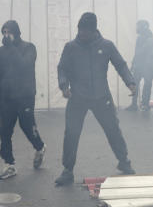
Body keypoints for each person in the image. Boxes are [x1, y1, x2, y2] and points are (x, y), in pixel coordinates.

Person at [54, 12, 136, 186]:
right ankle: (67, 171)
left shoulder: (106, 46)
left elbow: (120, 65)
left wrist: (130, 82)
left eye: (85, 31)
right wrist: (64, 86)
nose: (81, 34)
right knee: (71, 133)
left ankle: (124, 161)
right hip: (78, 97)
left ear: (94, 30)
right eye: (79, 30)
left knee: (112, 128)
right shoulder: (71, 47)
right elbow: (62, 68)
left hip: (101, 97)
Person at [0, 20, 46, 180]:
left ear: (17, 32)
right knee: (4, 131)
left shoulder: (29, 48)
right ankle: (9, 164)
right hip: (7, 97)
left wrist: (12, 48)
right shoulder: (0, 52)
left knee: (27, 126)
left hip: (25, 96)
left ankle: (40, 147)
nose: (6, 36)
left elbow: (24, 65)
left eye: (9, 32)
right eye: (4, 33)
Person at [127, 19, 153, 110]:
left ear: (143, 27)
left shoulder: (148, 36)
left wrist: (134, 63)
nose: (136, 28)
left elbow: (140, 52)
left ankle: (143, 104)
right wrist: (133, 63)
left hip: (145, 65)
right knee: (139, 84)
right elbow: (137, 52)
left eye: (138, 26)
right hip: (141, 64)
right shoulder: (143, 36)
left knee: (145, 84)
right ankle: (139, 104)